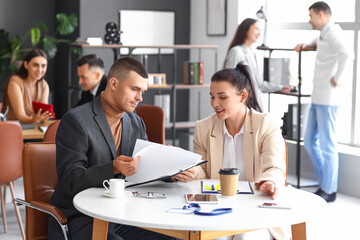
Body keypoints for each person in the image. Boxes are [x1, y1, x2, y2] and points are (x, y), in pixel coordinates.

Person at [48, 56, 176, 240]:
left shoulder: (136, 122)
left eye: (142, 92)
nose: (139, 98)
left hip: (122, 214)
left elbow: (144, 171)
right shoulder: (76, 121)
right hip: (79, 217)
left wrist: (171, 171)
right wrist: (114, 167)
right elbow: (70, 180)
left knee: (173, 236)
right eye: (134, 89)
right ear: (114, 83)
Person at [191, 63, 288, 240]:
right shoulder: (203, 128)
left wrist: (270, 181)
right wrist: (189, 168)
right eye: (212, 97)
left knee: (245, 237)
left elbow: (275, 166)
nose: (215, 104)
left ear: (242, 96)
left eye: (222, 97)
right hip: (216, 209)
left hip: (256, 210)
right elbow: (202, 172)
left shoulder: (266, 124)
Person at [294, 1, 351, 202]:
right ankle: (325, 183)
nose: (309, 20)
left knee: (328, 146)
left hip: (329, 98)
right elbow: (319, 45)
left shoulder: (334, 32)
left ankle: (329, 190)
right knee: (309, 142)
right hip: (318, 97)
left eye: (311, 16)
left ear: (321, 14)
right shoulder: (323, 34)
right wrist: (306, 46)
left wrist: (338, 78)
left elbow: (347, 54)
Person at [224, 18, 293, 111]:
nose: (259, 33)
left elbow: (259, 84)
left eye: (260, 30)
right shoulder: (236, 51)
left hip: (255, 104)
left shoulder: (255, 54)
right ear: (246, 29)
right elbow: (230, 81)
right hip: (242, 105)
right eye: (256, 29)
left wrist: (281, 87)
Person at [1, 49, 53, 123]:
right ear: (26, 65)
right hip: (13, 129)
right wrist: (34, 119)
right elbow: (20, 116)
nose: (40, 70)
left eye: (43, 66)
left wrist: (43, 117)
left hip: (33, 128)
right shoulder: (15, 82)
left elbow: (43, 114)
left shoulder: (44, 85)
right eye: (35, 65)